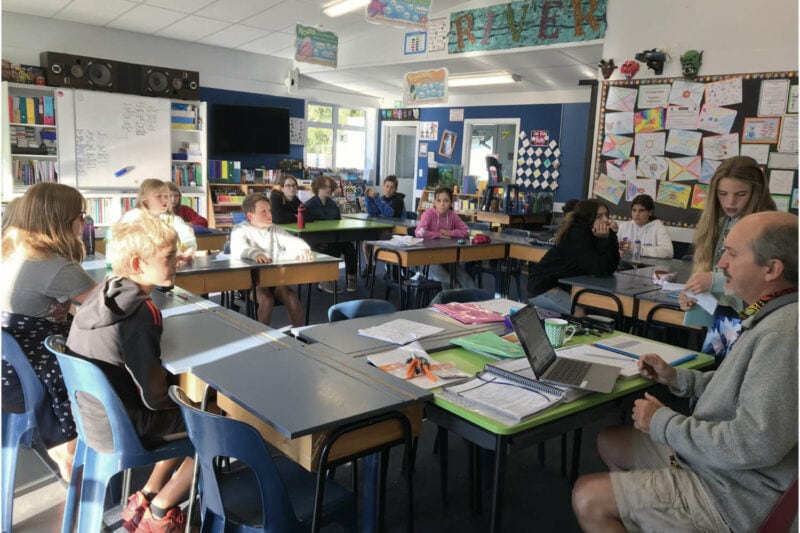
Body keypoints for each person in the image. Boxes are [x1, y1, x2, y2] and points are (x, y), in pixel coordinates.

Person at [572, 211, 798, 533]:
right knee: (611, 442)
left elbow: (752, 444)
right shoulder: (771, 313)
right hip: (714, 464)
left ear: (772, 269)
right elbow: (736, 389)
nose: (720, 265)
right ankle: (653, 513)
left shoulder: (784, 333)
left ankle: (661, 510)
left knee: (587, 498)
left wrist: (663, 421)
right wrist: (677, 378)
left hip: (732, 494)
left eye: (733, 254)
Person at [66, 215, 195, 533]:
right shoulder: (139, 313)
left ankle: (147, 494)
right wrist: (185, 405)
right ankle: (162, 509)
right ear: (138, 264)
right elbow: (153, 396)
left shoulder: (102, 294)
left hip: (91, 418)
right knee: (217, 424)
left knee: (188, 412)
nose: (177, 259)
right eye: (168, 256)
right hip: (122, 426)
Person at [1, 182, 97, 481]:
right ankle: (74, 453)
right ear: (61, 219)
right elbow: (104, 306)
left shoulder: (13, 252)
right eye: (81, 214)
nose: (85, 221)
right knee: (110, 364)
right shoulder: (54, 265)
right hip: (29, 379)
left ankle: (63, 451)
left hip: (8, 372)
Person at [680, 156, 775, 358]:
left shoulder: (770, 226)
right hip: (722, 317)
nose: (730, 202)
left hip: (754, 316)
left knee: (732, 377)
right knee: (716, 375)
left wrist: (713, 281)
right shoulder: (721, 222)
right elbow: (711, 271)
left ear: (756, 193)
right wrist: (693, 292)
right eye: (723, 194)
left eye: (741, 194)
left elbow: (765, 283)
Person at [231, 193, 313, 327]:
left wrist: (302, 249)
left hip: (274, 278)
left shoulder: (274, 229)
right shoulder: (240, 230)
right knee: (267, 300)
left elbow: (293, 241)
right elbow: (239, 248)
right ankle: (260, 337)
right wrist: (254, 253)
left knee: (291, 297)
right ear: (250, 216)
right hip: (251, 282)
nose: (269, 214)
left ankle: (300, 335)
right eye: (263, 211)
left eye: (269, 210)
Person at [527, 199, 620, 314]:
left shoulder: (593, 232)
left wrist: (612, 237)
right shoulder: (577, 234)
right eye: (599, 216)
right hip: (542, 288)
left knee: (602, 307)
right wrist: (604, 240)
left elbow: (610, 268)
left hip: (563, 286)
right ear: (588, 218)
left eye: (606, 215)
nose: (606, 220)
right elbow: (599, 269)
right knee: (579, 311)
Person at [114, 179, 197, 266]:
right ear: (145, 199)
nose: (164, 200)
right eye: (159, 196)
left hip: (166, 267)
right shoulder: (132, 218)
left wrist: (189, 251)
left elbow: (187, 237)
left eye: (166, 196)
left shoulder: (173, 219)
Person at [304, 175, 358, 293]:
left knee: (350, 248)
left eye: (329, 187)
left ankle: (351, 278)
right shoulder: (309, 205)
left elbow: (338, 224)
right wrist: (313, 244)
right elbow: (306, 230)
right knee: (333, 248)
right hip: (317, 241)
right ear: (317, 188)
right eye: (324, 187)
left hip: (334, 238)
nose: (328, 189)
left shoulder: (333, 205)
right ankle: (325, 281)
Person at [414, 186, 475, 289]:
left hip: (447, 257)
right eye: (439, 200)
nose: (442, 204)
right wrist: (438, 235)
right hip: (427, 259)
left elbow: (467, 231)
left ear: (451, 203)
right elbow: (419, 233)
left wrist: (450, 233)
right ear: (434, 202)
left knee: (466, 280)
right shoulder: (428, 214)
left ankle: (473, 302)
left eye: (446, 201)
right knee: (449, 282)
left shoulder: (453, 216)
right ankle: (450, 303)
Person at [616, 194, 673, 258]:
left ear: (650, 212)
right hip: (626, 266)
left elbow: (668, 252)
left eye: (641, 210)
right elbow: (612, 248)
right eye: (634, 210)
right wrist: (618, 250)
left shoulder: (658, 227)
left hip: (650, 267)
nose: (636, 214)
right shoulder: (623, 227)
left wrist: (638, 249)